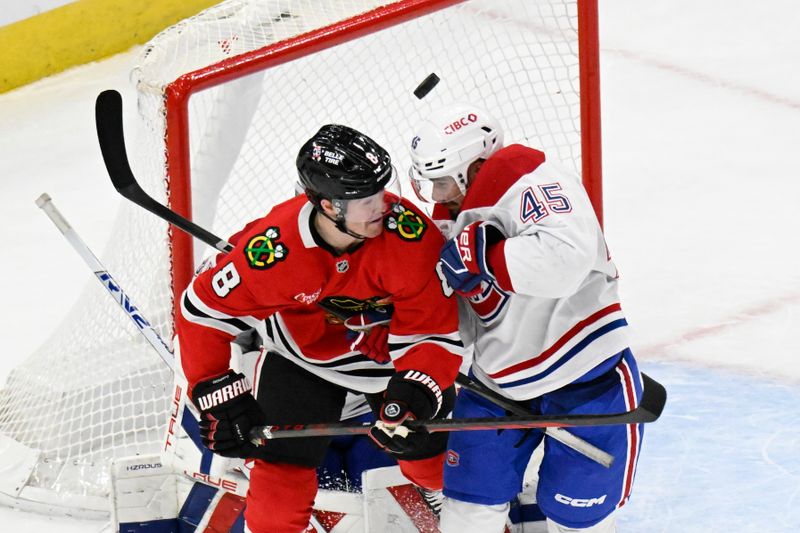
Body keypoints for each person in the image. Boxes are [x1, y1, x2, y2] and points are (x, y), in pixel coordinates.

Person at [176, 124, 464, 533]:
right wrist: (220, 395)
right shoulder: (272, 251)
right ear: (329, 207)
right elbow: (200, 311)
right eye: (366, 200)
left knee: (434, 465)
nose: (383, 206)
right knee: (275, 503)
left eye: (382, 191)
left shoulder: (409, 235)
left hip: (390, 360)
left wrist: (417, 387)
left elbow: (434, 330)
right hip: (304, 359)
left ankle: (453, 508)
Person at [408, 104, 645, 533]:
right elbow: (464, 309)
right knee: (467, 508)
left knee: (576, 516)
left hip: (585, 377)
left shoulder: (533, 182)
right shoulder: (452, 219)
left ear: (476, 166)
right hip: (495, 386)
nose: (438, 195)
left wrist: (488, 255)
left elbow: (564, 261)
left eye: (443, 181)